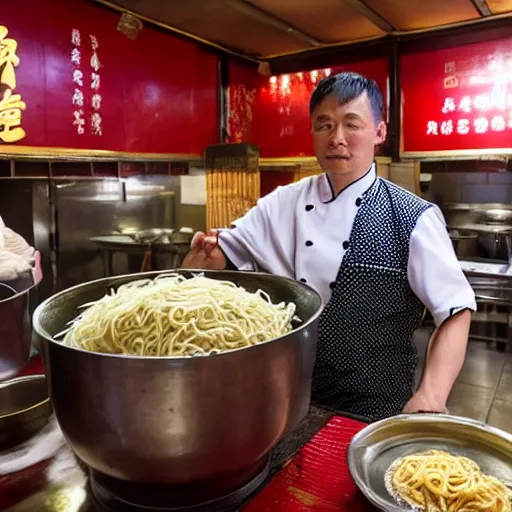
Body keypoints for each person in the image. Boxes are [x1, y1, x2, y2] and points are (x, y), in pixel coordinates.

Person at [182, 72, 476, 421]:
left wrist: (430, 394)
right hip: (286, 397)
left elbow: (456, 309)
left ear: (379, 132)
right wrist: (201, 259)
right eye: (324, 125)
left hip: (375, 406)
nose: (337, 139)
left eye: (351, 124)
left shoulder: (413, 216)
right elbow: (218, 256)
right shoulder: (283, 203)